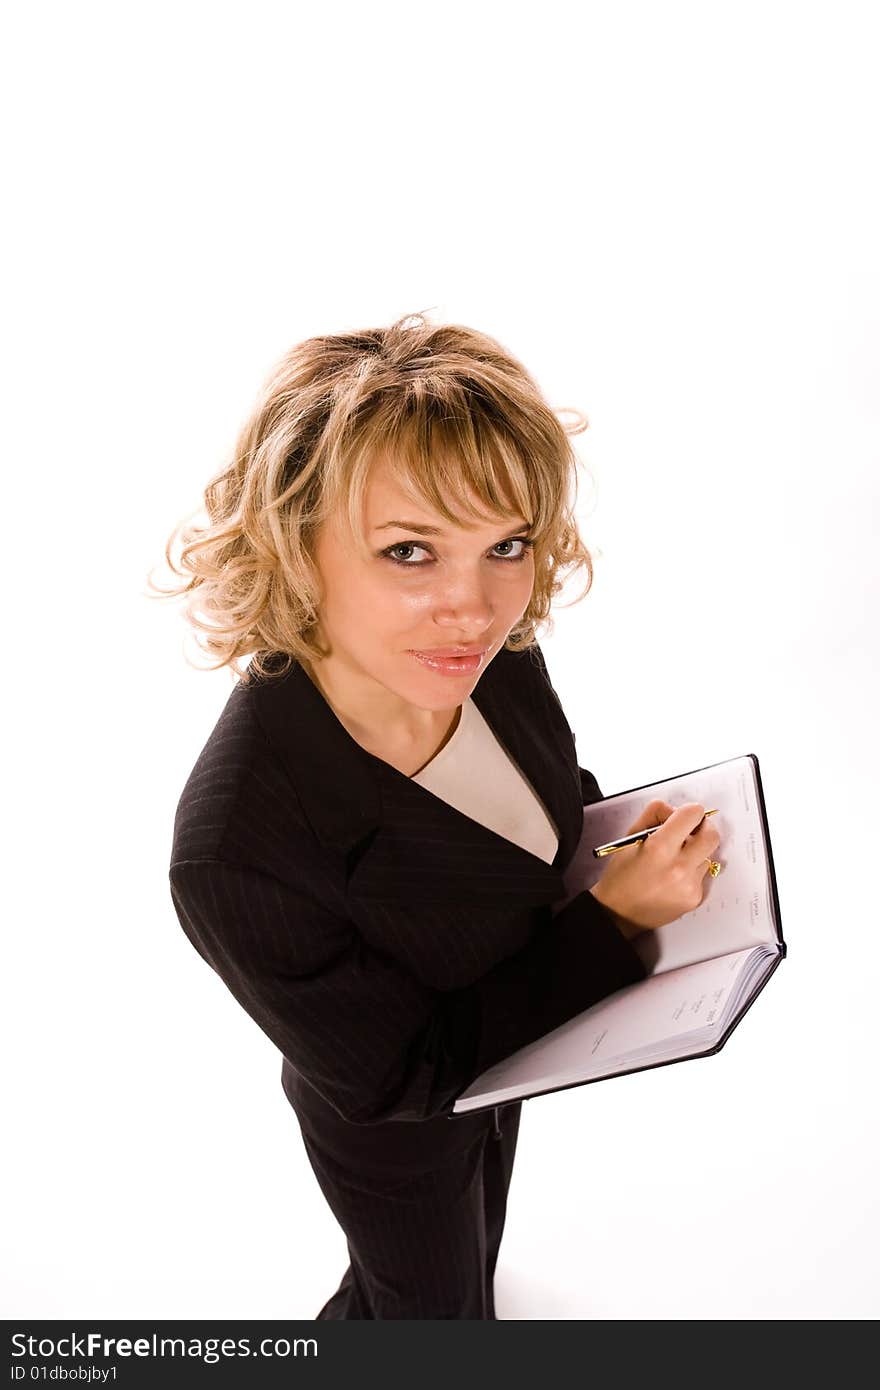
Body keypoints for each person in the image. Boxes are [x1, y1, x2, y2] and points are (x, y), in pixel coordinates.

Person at [152, 311, 722, 1319]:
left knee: (479, 1256)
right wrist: (616, 920)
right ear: (293, 546)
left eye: (506, 544)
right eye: (409, 550)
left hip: (519, 1034)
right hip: (398, 1134)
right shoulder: (237, 850)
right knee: (427, 1312)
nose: (475, 605)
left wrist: (621, 842)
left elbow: (541, 803)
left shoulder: (492, 661)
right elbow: (401, 1076)